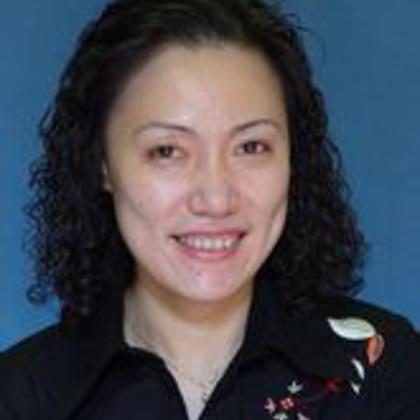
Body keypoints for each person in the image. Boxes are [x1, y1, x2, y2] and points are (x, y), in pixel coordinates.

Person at [1, 0, 419, 419]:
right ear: (102, 165)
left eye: (251, 147)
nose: (216, 199)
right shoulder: (22, 395)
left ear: (293, 159)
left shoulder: (384, 366)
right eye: (167, 151)